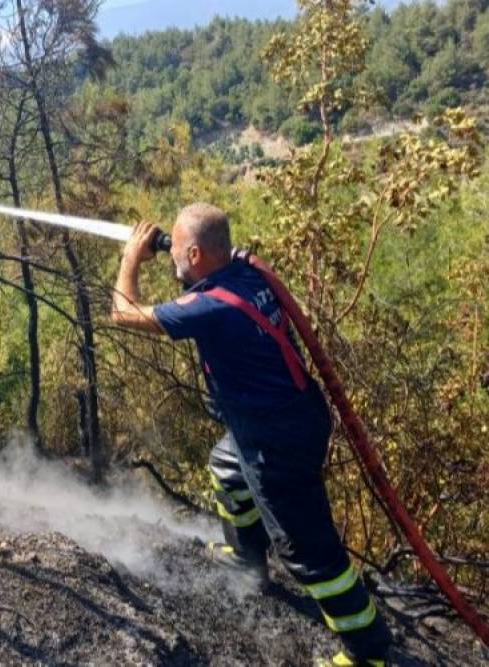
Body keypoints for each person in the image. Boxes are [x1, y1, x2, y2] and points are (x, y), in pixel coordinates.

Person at [110, 203, 392, 667]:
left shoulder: (211, 307)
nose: (171, 256)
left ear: (197, 254)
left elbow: (123, 313)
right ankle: (247, 560)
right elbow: (196, 289)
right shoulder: (246, 275)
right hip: (283, 418)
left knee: (306, 548)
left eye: (176, 250)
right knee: (226, 469)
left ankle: (368, 651)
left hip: (276, 437)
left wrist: (129, 260)